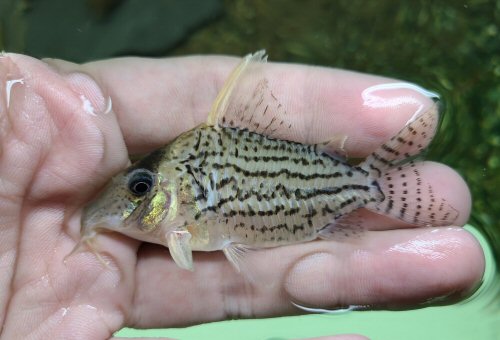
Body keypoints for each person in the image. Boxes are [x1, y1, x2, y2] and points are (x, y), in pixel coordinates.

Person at [0, 53, 484, 339]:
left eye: (143, 188)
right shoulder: (172, 219)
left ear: (174, 189)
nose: (135, 198)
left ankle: (385, 192)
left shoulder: (184, 218)